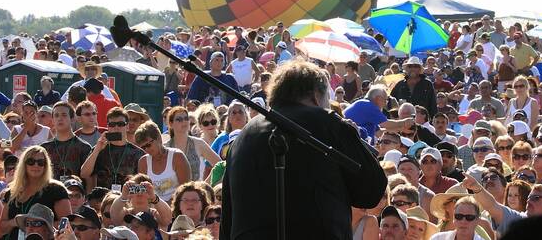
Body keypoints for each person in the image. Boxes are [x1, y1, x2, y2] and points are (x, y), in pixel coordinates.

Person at [220, 60, 387, 238]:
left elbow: (228, 216)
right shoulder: (328, 123)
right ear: (316, 96)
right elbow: (372, 191)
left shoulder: (243, 137)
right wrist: (350, 136)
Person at [0, 146, 71, 239]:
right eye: (31, 162)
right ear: (23, 164)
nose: (36, 165)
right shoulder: (12, 191)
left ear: (46, 166)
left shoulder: (56, 189)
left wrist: (40, 225)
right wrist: (17, 222)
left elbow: (66, 224)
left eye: (40, 162)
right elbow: (1, 227)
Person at [461, 172, 542, 237]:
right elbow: (492, 206)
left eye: (535, 198)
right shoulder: (516, 219)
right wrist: (477, 188)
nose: (529, 201)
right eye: (529, 197)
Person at [80, 107, 146, 190]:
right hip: (103, 200)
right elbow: (84, 174)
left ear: (127, 127)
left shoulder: (138, 153)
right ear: (108, 127)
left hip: (127, 199)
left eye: (120, 124)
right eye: (112, 124)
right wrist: (97, 149)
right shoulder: (99, 149)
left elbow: (142, 183)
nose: (116, 127)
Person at [134, 121, 190, 202]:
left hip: (176, 206)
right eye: (143, 147)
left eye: (148, 145)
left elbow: (186, 190)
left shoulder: (177, 157)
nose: (146, 149)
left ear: (159, 138)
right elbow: (142, 192)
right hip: (153, 208)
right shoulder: (143, 162)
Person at [343, 85, 415, 142]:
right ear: (378, 98)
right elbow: (385, 124)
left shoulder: (365, 105)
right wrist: (404, 122)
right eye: (386, 100)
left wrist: (401, 129)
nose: (386, 104)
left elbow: (379, 132)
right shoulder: (368, 105)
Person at [165, 106, 221, 181]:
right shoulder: (165, 147)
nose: (184, 121)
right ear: (171, 124)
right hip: (172, 192)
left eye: (186, 118)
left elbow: (220, 165)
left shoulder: (198, 143)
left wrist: (205, 184)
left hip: (196, 190)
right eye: (179, 119)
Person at [40, 102, 92, 180]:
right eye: (56, 115)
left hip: (76, 191)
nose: (60, 118)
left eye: (64, 115)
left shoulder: (85, 147)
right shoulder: (44, 148)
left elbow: (89, 179)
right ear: (53, 120)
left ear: (72, 119)